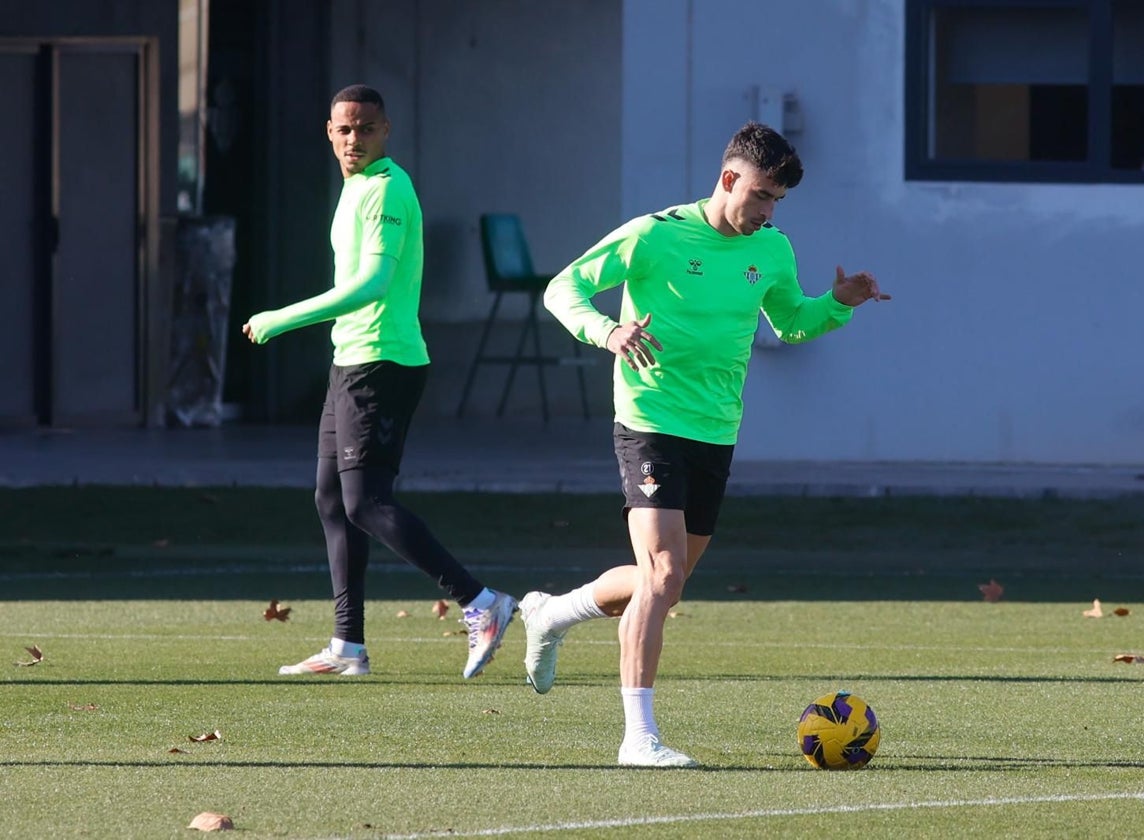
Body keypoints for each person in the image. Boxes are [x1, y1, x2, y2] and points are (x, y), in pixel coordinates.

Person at [524, 121, 889, 767]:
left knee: (664, 582)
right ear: (729, 180)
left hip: (717, 429)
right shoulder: (655, 234)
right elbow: (563, 288)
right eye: (761, 195)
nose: (768, 211)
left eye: (777, 200)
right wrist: (607, 332)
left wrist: (837, 302)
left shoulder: (772, 250)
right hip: (649, 420)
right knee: (662, 577)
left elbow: (792, 325)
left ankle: (553, 613)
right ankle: (638, 738)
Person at [243, 84, 516, 679]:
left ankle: (481, 601)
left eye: (365, 128)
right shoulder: (354, 190)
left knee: (366, 501)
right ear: (329, 132)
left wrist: (279, 318)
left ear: (385, 130)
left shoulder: (390, 188)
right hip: (351, 361)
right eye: (344, 129)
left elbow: (371, 285)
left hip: (384, 365)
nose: (354, 139)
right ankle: (348, 647)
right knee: (331, 500)